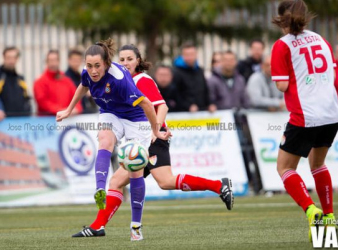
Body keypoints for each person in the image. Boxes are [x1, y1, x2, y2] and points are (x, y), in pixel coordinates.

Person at [71, 44, 234, 239]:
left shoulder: (142, 80)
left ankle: (219, 185)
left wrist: (156, 130)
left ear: (138, 60)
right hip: (142, 136)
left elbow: (162, 106)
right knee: (118, 182)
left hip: (153, 137)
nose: (125, 63)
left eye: (130, 59)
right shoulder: (118, 80)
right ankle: (98, 226)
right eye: (122, 59)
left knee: (163, 181)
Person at [56, 38, 170, 241]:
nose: (93, 70)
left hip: (136, 118)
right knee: (104, 139)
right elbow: (83, 86)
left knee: (135, 168)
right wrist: (69, 109)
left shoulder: (119, 79)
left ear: (106, 63)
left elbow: (147, 105)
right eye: (89, 65)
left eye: (97, 66)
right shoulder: (87, 73)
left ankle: (136, 226)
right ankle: (100, 188)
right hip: (111, 112)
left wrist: (157, 130)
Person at [271, 0, 338, 241]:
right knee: (318, 165)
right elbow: (329, 72)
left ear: (281, 20)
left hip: (305, 115)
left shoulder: (282, 45)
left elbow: (282, 85)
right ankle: (330, 218)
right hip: (331, 113)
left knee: (285, 167)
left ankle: (312, 211)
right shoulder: (321, 39)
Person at [34, 50, 82, 116]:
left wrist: (76, 108)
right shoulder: (40, 82)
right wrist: (62, 110)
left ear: (59, 61)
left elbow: (76, 97)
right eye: (51, 60)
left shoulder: (67, 80)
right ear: (47, 62)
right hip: (47, 121)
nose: (53, 63)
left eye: (55, 60)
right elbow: (43, 102)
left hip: (67, 120)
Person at [172, 42, 216, 112]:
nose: (189, 57)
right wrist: (188, 106)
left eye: (192, 54)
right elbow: (175, 94)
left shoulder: (200, 71)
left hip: (202, 112)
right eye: (187, 55)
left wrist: (210, 104)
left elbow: (205, 90)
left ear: (196, 55)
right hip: (183, 114)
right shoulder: (176, 72)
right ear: (182, 56)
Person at [0, 47, 31, 118]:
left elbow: (26, 98)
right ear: (4, 58)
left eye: (14, 58)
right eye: (9, 57)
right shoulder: (0, 77)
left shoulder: (20, 79)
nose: (11, 61)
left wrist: (27, 112)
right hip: (2, 122)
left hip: (20, 121)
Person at [65, 48, 98, 113]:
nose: (76, 63)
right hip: (73, 111)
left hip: (81, 108)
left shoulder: (80, 75)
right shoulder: (66, 77)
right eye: (74, 60)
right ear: (69, 60)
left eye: (78, 60)